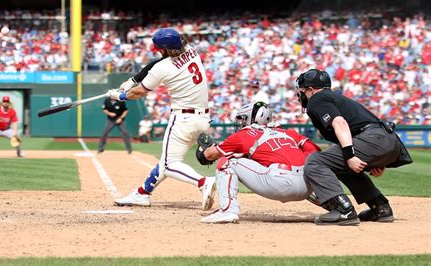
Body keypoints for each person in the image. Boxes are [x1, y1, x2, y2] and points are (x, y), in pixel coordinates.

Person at [108, 28, 216, 210]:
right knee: (168, 159)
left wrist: (121, 96)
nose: (159, 51)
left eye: (160, 49)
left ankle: (203, 182)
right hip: (203, 119)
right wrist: (132, 80)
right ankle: (142, 193)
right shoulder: (191, 51)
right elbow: (154, 64)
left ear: (165, 49)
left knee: (169, 164)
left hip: (183, 119)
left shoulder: (163, 68)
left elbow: (140, 92)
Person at [295, 69, 410, 226]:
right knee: (341, 166)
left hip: (372, 139)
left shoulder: (317, 99)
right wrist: (379, 161)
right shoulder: (335, 98)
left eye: (302, 91)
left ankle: (344, 210)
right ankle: (380, 208)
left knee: (315, 161)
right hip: (389, 140)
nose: (300, 95)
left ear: (310, 89)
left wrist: (350, 155)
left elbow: (340, 123)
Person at [197, 102, 321, 223]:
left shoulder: (245, 134)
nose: (241, 122)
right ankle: (335, 205)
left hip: (279, 184)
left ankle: (228, 210)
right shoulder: (287, 132)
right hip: (307, 187)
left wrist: (206, 149)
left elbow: (208, 155)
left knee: (228, 161)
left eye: (243, 119)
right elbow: (315, 150)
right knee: (308, 169)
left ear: (253, 118)